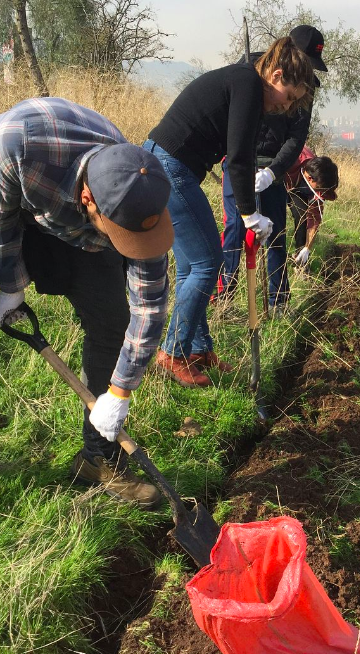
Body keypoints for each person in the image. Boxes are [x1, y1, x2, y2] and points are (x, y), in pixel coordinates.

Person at [0, 97, 175, 508]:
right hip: (17, 201)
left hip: (74, 227)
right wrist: (9, 284)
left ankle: (98, 460)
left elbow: (149, 307)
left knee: (113, 324)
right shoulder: (17, 148)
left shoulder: (139, 193)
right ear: (89, 200)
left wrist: (120, 392)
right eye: (122, 234)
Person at [145, 36, 314, 384]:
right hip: (169, 165)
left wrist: (262, 184)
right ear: (277, 75)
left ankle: (198, 348)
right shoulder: (248, 85)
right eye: (290, 97)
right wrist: (251, 214)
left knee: (194, 265)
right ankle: (173, 353)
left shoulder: (247, 82)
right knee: (209, 264)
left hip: (168, 163)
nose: (287, 107)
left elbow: (242, 156)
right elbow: (237, 160)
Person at [218, 25, 328, 315]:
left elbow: (296, 137)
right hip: (239, 160)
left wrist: (274, 172)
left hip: (273, 167)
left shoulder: (306, 90)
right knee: (235, 227)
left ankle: (278, 302)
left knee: (275, 231)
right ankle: (224, 298)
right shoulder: (252, 67)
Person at [285, 146, 339, 268]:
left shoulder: (319, 180)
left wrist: (307, 249)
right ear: (310, 178)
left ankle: (300, 260)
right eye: (319, 189)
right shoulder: (292, 158)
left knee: (302, 216)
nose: (320, 193)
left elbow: (314, 220)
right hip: (279, 179)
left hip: (298, 188)